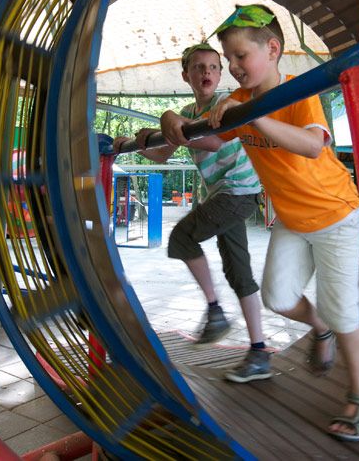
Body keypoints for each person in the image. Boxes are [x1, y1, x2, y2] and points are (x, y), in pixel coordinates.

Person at [200, 4, 359, 441]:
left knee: (343, 309)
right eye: (229, 60)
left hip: (335, 213)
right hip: (292, 219)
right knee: (278, 298)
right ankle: (319, 328)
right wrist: (174, 124)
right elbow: (209, 139)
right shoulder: (238, 104)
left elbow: (312, 146)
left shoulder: (299, 91)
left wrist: (254, 115)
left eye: (240, 56)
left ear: (273, 49)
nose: (233, 67)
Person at [113, 42, 272, 383]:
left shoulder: (221, 106)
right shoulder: (189, 110)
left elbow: (215, 141)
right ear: (186, 75)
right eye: (199, 67)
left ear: (220, 74)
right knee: (238, 272)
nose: (207, 73)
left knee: (183, 238)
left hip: (238, 191)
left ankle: (215, 312)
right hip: (227, 195)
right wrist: (139, 142)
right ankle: (259, 352)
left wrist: (170, 121)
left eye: (214, 67)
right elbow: (163, 154)